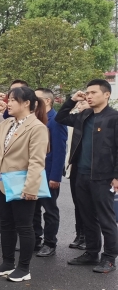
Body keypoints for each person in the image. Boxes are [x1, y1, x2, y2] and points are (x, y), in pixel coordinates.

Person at [0, 87, 49, 281]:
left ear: (26, 103)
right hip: (3, 182)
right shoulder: (7, 123)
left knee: (24, 226)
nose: (8, 103)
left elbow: (37, 161)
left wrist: (31, 188)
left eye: (12, 100)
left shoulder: (37, 127)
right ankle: (7, 262)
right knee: (7, 224)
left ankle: (24, 268)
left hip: (23, 184)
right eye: (8, 99)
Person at [56, 80, 118, 273]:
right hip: (80, 173)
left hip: (103, 176)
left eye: (93, 92)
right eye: (87, 93)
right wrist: (72, 100)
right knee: (87, 216)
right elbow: (60, 117)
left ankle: (109, 258)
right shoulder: (84, 115)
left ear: (106, 94)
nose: (89, 96)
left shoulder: (114, 118)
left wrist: (116, 176)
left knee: (106, 218)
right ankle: (91, 253)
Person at [33, 88, 68, 257]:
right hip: (33, 173)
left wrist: (55, 176)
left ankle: (49, 243)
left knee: (50, 210)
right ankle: (35, 239)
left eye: (36, 98)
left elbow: (60, 151)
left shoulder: (56, 120)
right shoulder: (35, 118)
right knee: (33, 209)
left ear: (47, 101)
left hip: (48, 174)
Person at [66, 98, 90, 250]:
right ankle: (80, 234)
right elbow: (61, 117)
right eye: (79, 103)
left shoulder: (99, 120)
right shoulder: (76, 120)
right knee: (78, 203)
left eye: (83, 102)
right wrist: (71, 100)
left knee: (90, 207)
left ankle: (88, 237)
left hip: (91, 170)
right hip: (75, 167)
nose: (79, 105)